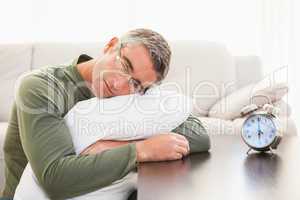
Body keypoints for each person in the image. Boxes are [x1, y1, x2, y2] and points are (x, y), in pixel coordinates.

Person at [1, 28, 210, 200]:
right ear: (110, 45)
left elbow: (198, 135)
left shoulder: (137, 93)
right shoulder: (41, 86)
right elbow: (56, 180)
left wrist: (107, 147)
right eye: (123, 65)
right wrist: (140, 151)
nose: (119, 83)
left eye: (135, 83)